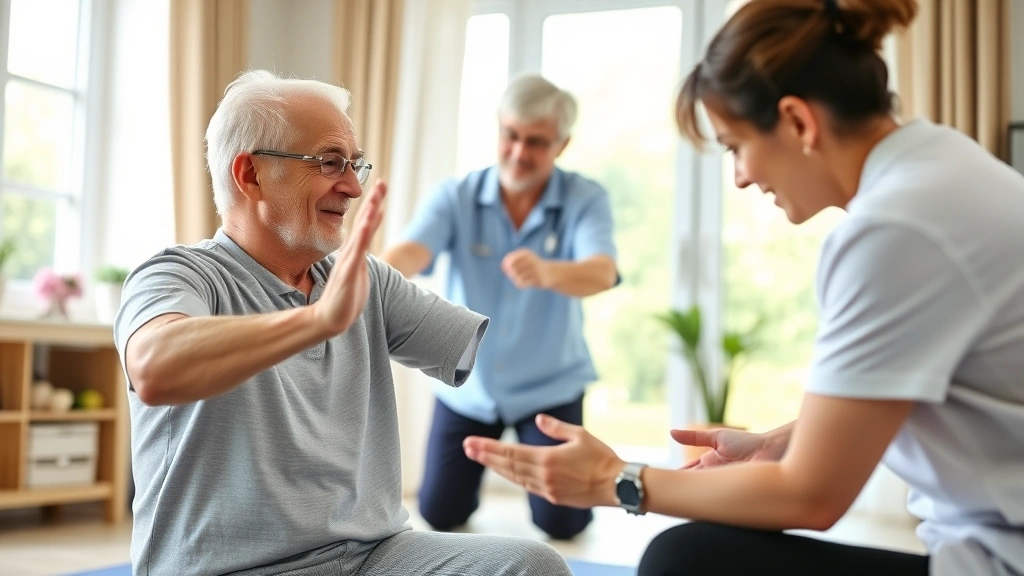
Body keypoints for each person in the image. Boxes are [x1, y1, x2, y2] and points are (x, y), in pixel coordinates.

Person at [462, 0, 1024, 575]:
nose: (742, 176)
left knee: (682, 558)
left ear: (799, 123)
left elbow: (811, 496)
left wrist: (616, 481)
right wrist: (777, 444)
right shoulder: (942, 164)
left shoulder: (894, 230)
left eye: (734, 146)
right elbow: (909, 390)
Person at [114, 70, 572, 576]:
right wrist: (315, 322)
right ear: (251, 175)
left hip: (373, 556)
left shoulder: (362, 278)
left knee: (532, 565)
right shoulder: (179, 275)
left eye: (354, 165)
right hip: (229, 567)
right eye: (330, 163)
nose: (353, 186)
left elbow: (467, 343)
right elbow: (155, 368)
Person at [382, 74, 618, 540]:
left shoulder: (585, 198)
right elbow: (409, 253)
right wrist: (377, 275)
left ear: (561, 144)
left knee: (562, 524)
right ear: (498, 131)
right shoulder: (456, 196)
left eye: (536, 141)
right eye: (510, 135)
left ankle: (565, 504)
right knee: (439, 514)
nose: (519, 151)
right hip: (469, 384)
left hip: (548, 387)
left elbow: (602, 272)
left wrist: (549, 271)